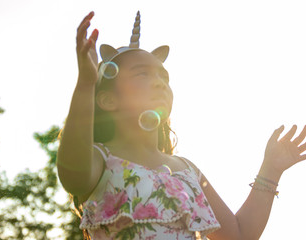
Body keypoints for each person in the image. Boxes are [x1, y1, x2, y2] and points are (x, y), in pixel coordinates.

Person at [56, 10, 306, 240]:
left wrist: (271, 170)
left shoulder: (187, 170)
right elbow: (73, 177)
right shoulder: (100, 158)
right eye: (142, 74)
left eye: (163, 76)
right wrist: (86, 83)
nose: (159, 82)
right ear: (108, 100)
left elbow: (238, 236)